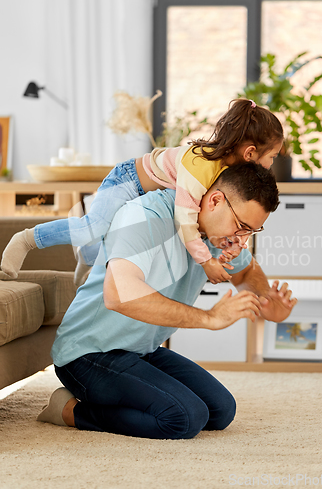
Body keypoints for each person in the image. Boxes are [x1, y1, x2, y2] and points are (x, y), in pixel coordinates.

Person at [37, 162, 297, 440]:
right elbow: (119, 295)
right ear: (216, 200)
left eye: (251, 232)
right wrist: (209, 318)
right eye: (241, 226)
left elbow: (245, 271)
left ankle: (123, 394)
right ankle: (69, 411)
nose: (241, 240)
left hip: (140, 350)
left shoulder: (219, 236)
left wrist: (265, 298)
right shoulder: (145, 216)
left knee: (221, 410)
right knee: (184, 418)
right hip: (88, 353)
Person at [1, 99, 283, 285]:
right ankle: (27, 239)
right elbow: (186, 220)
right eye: (272, 157)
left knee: (103, 239)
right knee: (94, 226)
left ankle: (86, 259)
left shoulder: (227, 173)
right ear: (250, 152)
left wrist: (234, 244)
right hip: (127, 180)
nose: (272, 165)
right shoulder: (201, 166)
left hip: (145, 193)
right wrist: (206, 261)